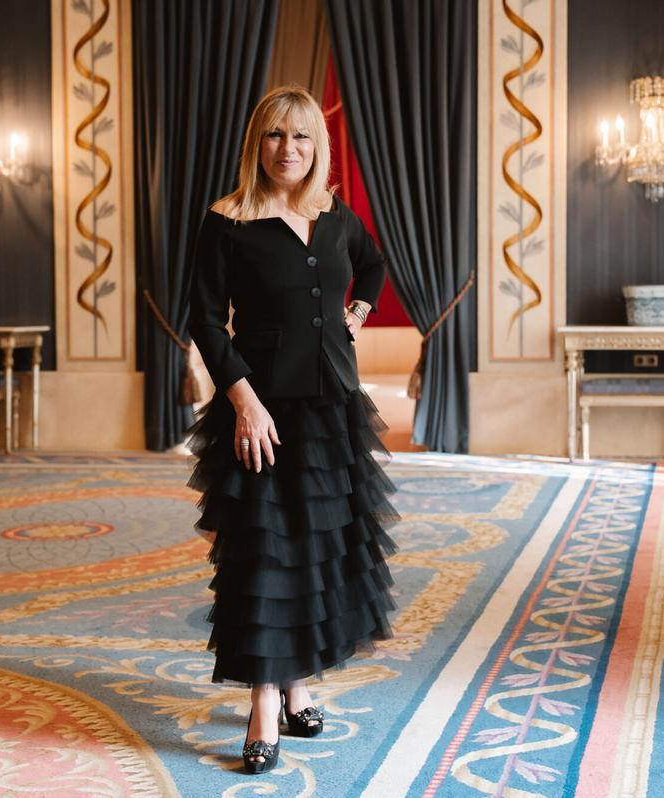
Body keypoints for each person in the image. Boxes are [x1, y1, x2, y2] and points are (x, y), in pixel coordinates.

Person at [185, 85, 399, 775]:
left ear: (318, 146)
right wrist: (242, 399)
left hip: (332, 410)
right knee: (263, 558)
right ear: (258, 143)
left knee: (312, 554)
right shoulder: (229, 219)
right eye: (276, 136)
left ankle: (298, 681)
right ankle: (264, 706)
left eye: (302, 137)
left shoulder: (334, 215)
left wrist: (359, 310)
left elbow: (373, 263)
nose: (289, 149)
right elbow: (207, 321)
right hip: (263, 414)